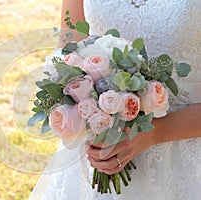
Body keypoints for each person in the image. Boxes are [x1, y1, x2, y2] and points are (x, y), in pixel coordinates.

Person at [29, 0, 201, 199]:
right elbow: (69, 52)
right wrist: (88, 111)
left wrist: (155, 132)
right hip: (99, 150)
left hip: (184, 155)